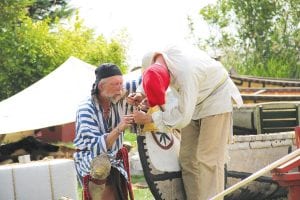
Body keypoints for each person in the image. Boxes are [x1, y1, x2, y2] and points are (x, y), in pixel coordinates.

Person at [130, 43, 243, 200]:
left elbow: (183, 117)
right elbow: (150, 75)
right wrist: (141, 93)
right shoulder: (154, 59)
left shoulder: (186, 73)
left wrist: (150, 118)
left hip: (216, 98)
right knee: (187, 158)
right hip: (195, 101)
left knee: (207, 159)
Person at [73, 63, 136, 200]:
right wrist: (119, 128)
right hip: (92, 161)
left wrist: (139, 97)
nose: (120, 88)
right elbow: (96, 148)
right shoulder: (86, 109)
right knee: (102, 165)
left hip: (115, 159)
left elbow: (142, 82)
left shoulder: (118, 101)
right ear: (101, 86)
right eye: (115, 84)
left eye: (121, 83)